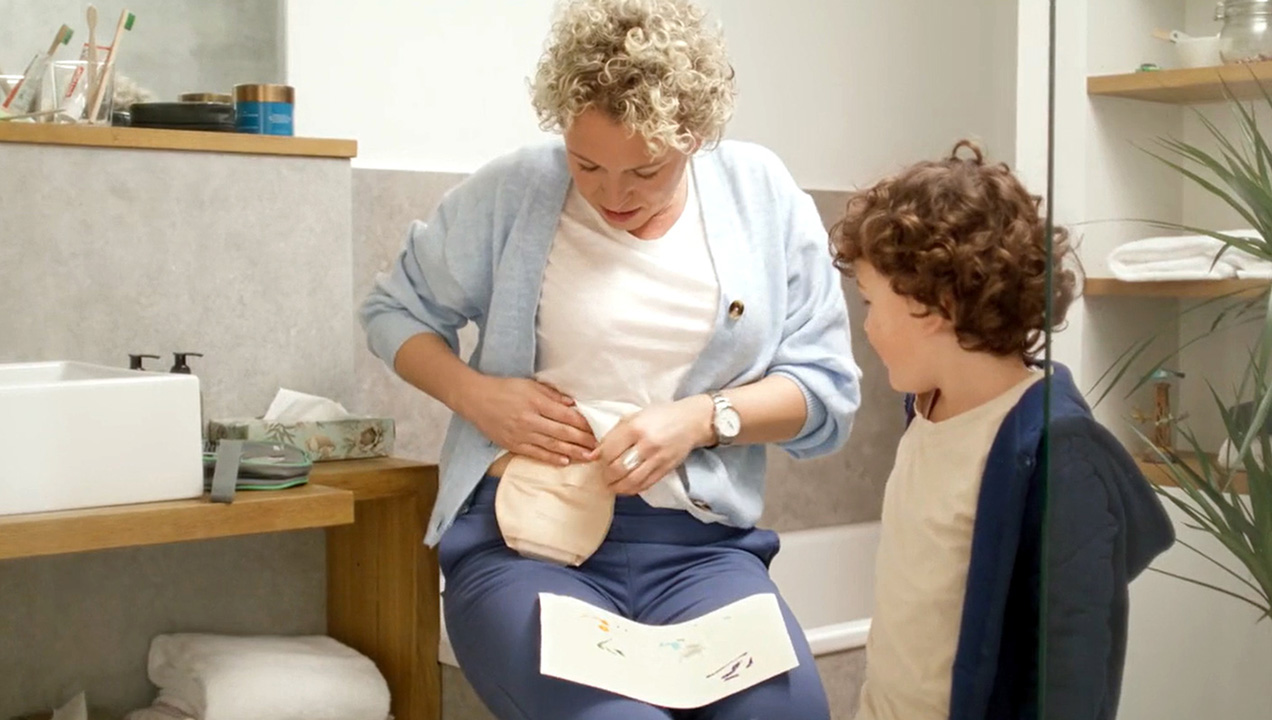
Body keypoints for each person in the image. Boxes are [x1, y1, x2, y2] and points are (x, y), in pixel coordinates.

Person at [358, 0, 861, 717]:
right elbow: (392, 311)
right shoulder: (514, 191)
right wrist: (477, 396)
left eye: (646, 170)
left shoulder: (761, 194)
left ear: (693, 136)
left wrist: (701, 419)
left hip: (700, 556)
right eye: (586, 163)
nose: (613, 194)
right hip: (526, 547)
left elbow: (825, 392)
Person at [829, 140, 1174, 720]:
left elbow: (1074, 675)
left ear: (933, 304)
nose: (865, 327)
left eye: (869, 302)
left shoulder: (1055, 451)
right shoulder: (926, 407)